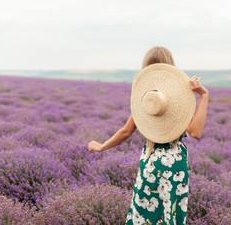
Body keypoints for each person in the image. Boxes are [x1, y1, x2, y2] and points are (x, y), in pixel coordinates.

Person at [88, 46, 208, 225]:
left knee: (144, 213)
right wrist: (203, 95)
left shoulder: (147, 100)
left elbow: (126, 131)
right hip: (175, 164)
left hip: (150, 161)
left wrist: (102, 146)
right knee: (170, 212)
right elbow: (195, 133)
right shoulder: (179, 97)